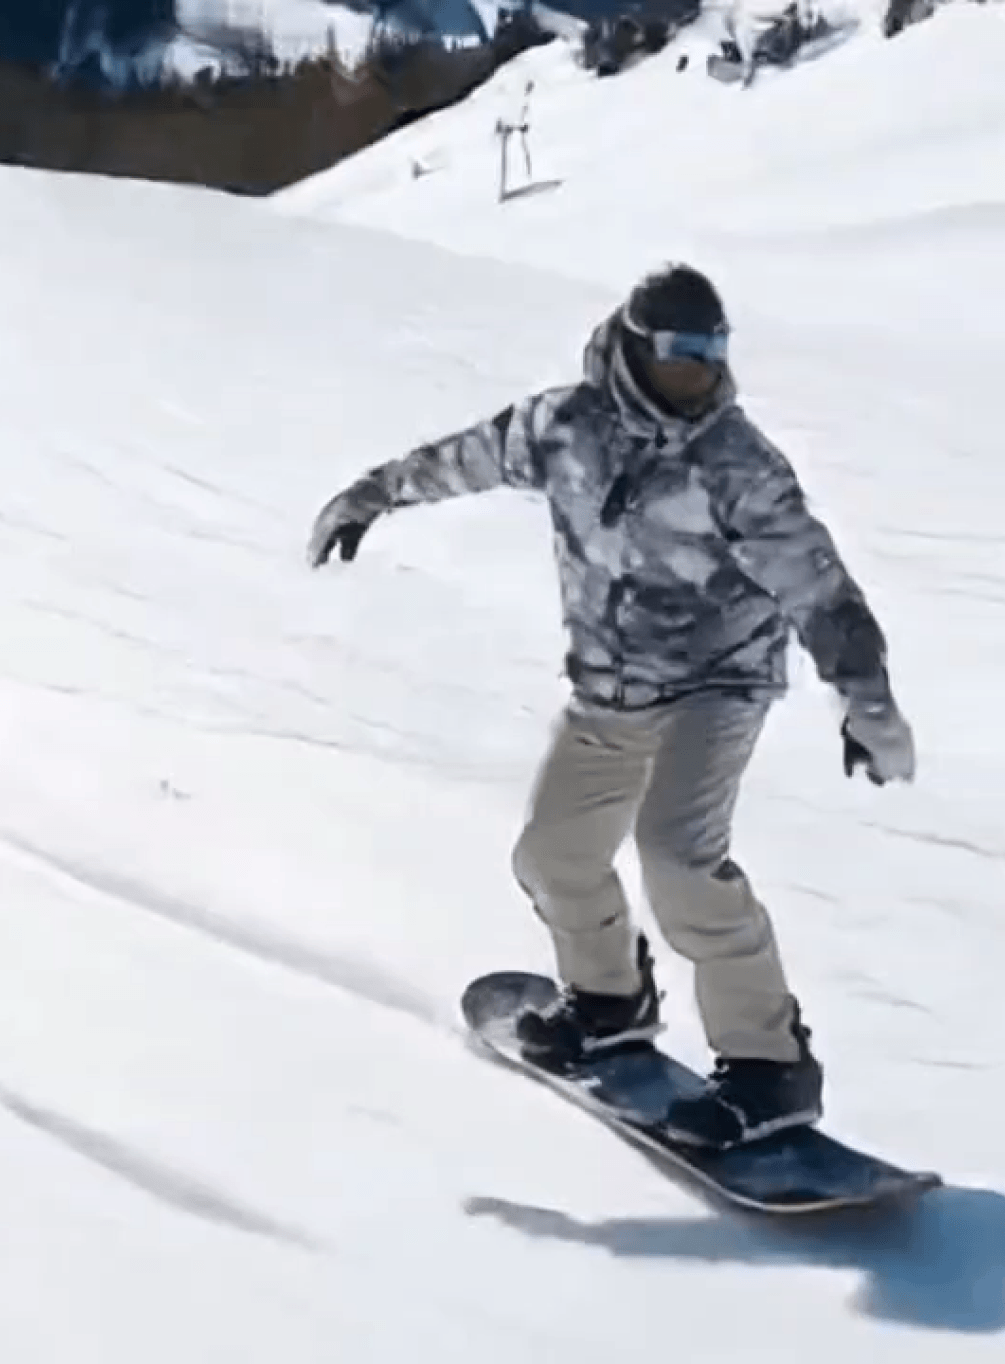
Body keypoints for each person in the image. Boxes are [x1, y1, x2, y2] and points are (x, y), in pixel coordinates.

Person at [305, 263, 916, 1149]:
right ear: (635, 347)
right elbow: (465, 458)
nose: (696, 375)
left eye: (711, 356)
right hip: (611, 688)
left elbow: (818, 589)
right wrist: (374, 492)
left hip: (718, 684)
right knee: (555, 857)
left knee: (678, 859)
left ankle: (770, 1067)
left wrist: (867, 700)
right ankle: (606, 1001)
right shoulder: (565, 426)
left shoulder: (736, 463)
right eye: (678, 356)